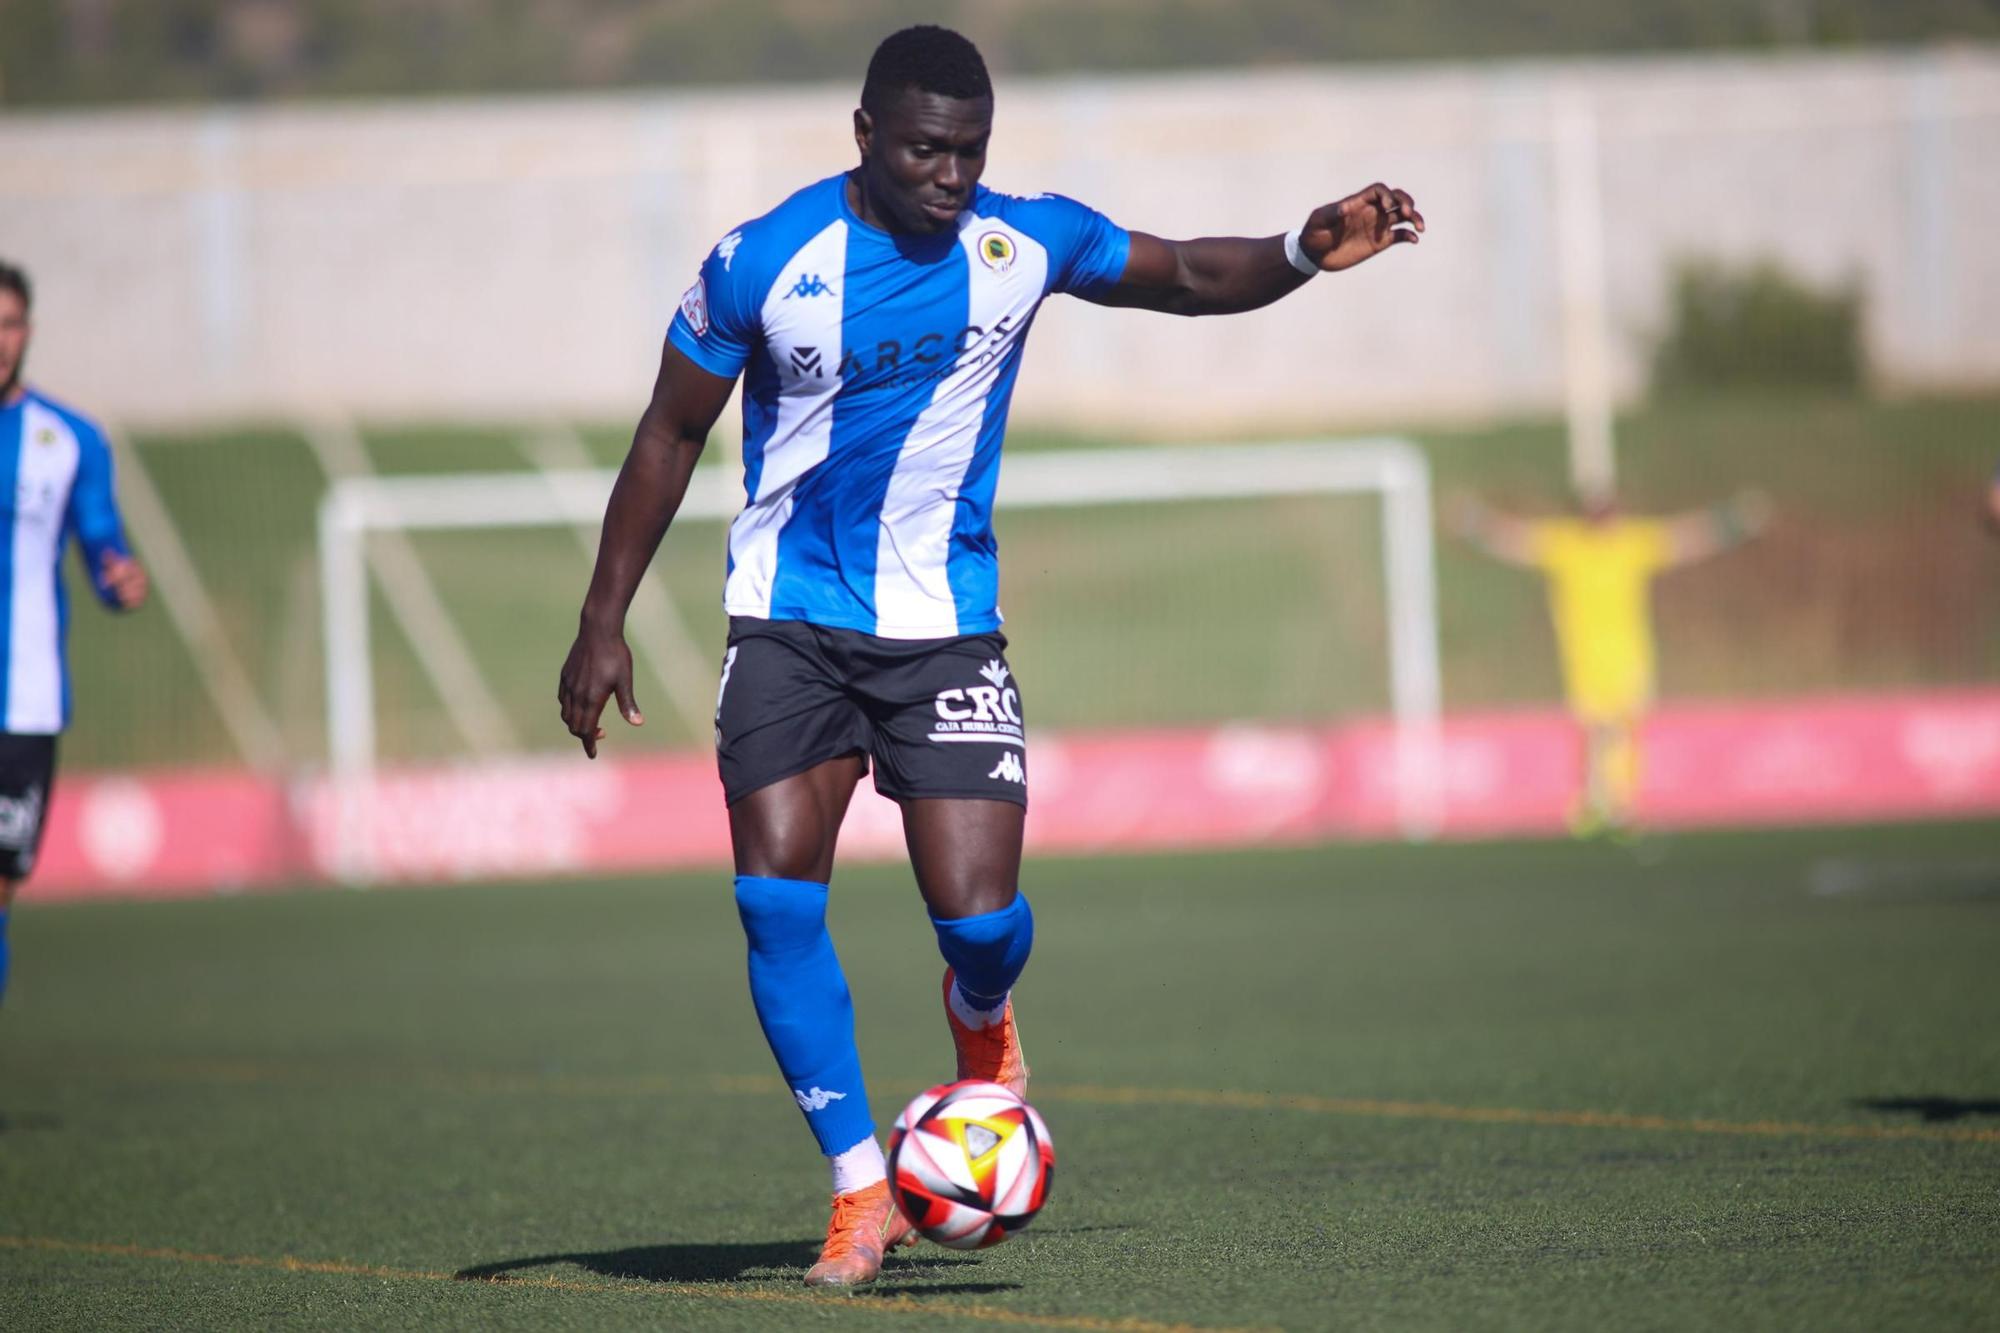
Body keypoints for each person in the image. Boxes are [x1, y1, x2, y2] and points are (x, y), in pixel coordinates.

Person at [557, 25, 1422, 1287]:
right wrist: (601, 618)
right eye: (923, 149)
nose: (950, 175)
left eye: (969, 150)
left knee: (978, 921)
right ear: (863, 135)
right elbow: (666, 433)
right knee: (773, 897)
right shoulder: (761, 261)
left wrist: (1300, 249)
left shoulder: (1022, 243)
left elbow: (1181, 271)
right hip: (788, 622)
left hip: (943, 628)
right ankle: (860, 1191)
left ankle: (981, 1020)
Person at [0, 261, 150, 1008]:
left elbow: (101, 544)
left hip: (23, 703)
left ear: (27, 331)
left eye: (11, 323)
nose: (0, 340)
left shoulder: (71, 440)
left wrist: (120, 579)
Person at [1447, 489, 1768, 836]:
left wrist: (1731, 520)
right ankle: (1599, 804)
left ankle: (1617, 805)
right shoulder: (1567, 544)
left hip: (1628, 654)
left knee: (1622, 726)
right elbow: (1516, 541)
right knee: (1597, 729)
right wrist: (1473, 522)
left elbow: (1684, 538)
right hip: (1583, 656)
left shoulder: (1632, 543)